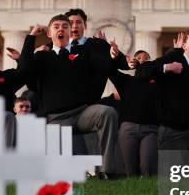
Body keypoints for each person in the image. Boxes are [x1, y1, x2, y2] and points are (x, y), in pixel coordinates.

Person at [18, 14, 122, 179]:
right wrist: (31, 38)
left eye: (65, 27)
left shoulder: (83, 52)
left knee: (107, 113)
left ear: (69, 33)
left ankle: (107, 170)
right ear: (49, 34)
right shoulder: (42, 57)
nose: (61, 29)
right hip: (56, 118)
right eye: (56, 27)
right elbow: (23, 71)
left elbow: (106, 67)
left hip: (82, 114)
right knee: (60, 173)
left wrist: (113, 55)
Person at [109, 49, 158, 177]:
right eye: (139, 58)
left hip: (150, 129)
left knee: (147, 168)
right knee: (130, 170)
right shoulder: (126, 81)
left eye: (146, 58)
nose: (143, 59)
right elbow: (109, 70)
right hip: (128, 129)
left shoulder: (158, 83)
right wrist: (117, 58)